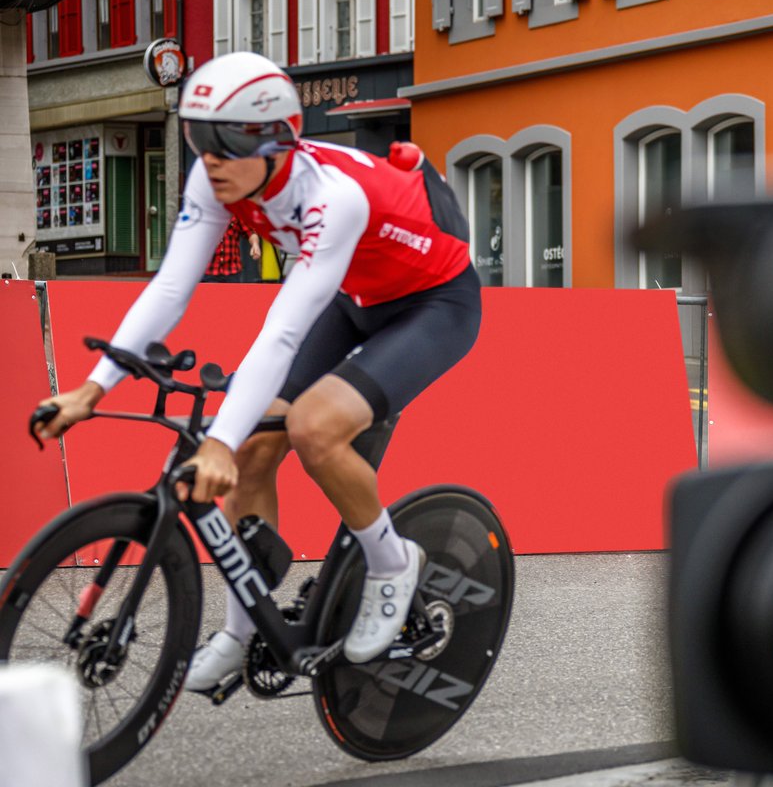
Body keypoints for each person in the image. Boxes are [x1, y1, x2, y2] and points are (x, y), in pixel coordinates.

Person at [33, 51, 481, 691]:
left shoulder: (333, 198)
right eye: (196, 137)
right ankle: (244, 632)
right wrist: (94, 386)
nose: (207, 158)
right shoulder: (216, 180)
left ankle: (391, 563)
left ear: (276, 141)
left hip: (433, 305)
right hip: (353, 300)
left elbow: (283, 331)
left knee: (313, 429)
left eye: (223, 140)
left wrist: (219, 440)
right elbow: (169, 290)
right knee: (249, 455)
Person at [203, 215, 261, 282]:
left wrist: (255, 244)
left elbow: (250, 232)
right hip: (209, 270)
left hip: (232, 270)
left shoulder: (235, 212)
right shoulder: (205, 212)